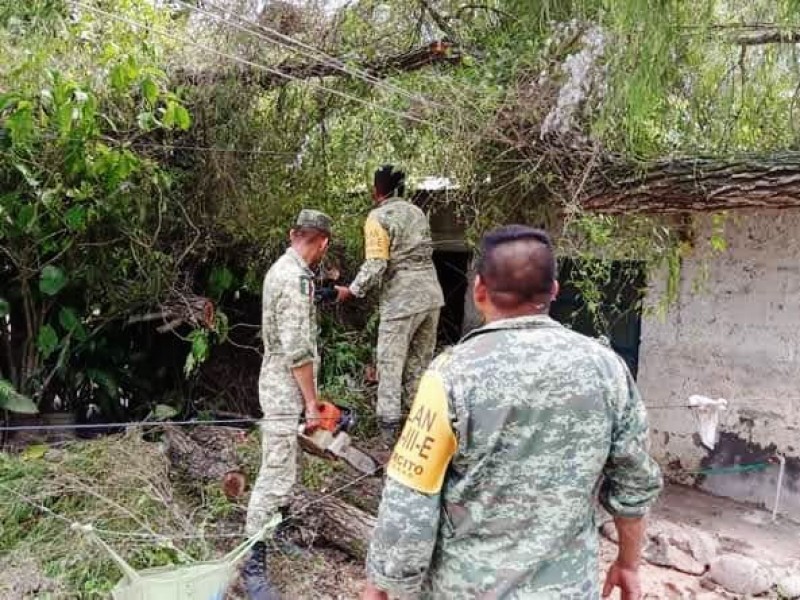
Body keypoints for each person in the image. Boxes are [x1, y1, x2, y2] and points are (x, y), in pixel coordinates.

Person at [363, 225, 663, 600]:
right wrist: (629, 564)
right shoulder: (608, 370)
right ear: (554, 290)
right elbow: (635, 483)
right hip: (568, 589)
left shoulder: (451, 374)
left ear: (479, 290)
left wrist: (385, 587)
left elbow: (411, 499)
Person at [242, 209, 333, 597]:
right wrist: (312, 404)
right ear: (323, 243)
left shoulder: (284, 269)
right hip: (284, 386)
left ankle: (273, 533)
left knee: (285, 468)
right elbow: (297, 351)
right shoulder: (294, 277)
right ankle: (252, 562)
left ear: (292, 232)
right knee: (276, 472)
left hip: (281, 382)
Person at [336, 165, 444, 443]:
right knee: (419, 366)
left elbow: (377, 263)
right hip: (431, 296)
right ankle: (418, 432)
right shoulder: (417, 213)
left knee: (390, 367)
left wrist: (352, 290)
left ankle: (388, 436)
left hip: (402, 300)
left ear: (376, 191)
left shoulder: (378, 217)